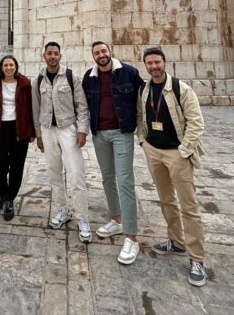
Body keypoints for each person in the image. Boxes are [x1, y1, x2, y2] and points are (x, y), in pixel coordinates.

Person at [136, 47, 207, 287]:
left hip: (177, 153)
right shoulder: (144, 90)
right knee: (166, 200)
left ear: (164, 63)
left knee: (189, 206)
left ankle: (196, 258)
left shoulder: (181, 89)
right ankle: (175, 241)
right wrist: (143, 141)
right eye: (149, 63)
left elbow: (196, 123)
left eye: (157, 62)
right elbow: (140, 117)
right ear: (145, 65)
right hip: (154, 151)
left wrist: (184, 151)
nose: (154, 66)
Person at [82, 41, 144, 265]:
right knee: (107, 178)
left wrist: (143, 131)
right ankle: (117, 219)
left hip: (121, 133)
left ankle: (132, 237)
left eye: (103, 51)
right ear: (93, 56)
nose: (101, 55)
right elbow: (84, 105)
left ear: (110, 52)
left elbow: (143, 98)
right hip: (100, 134)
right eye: (97, 53)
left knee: (125, 180)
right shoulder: (89, 77)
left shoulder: (128, 72)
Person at [32, 42, 92, 242]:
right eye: (49, 53)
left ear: (60, 56)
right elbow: (35, 109)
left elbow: (82, 106)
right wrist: (39, 136)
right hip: (47, 131)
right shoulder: (38, 80)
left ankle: (82, 218)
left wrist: (82, 130)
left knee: (76, 173)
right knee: (54, 173)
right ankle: (61, 210)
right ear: (44, 56)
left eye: (56, 53)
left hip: (68, 129)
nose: (52, 57)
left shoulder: (70, 77)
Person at [0, 55, 35, 221]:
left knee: (17, 165)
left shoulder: (24, 83)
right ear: (1, 67)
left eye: (11, 65)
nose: (9, 68)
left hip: (19, 128)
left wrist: (32, 132)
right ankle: (3, 191)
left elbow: (30, 108)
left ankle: (10, 199)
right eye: (6, 65)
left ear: (16, 67)